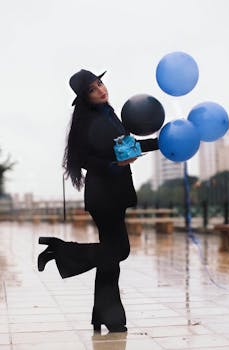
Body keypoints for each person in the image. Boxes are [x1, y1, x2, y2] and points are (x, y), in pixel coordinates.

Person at [37, 69, 159, 333]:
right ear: (85, 97)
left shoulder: (110, 113)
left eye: (100, 83)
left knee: (110, 259)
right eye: (93, 89)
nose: (101, 90)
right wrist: (115, 165)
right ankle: (60, 251)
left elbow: (129, 146)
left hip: (115, 192)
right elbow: (82, 160)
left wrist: (160, 143)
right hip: (103, 194)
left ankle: (104, 316)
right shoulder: (85, 120)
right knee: (118, 251)